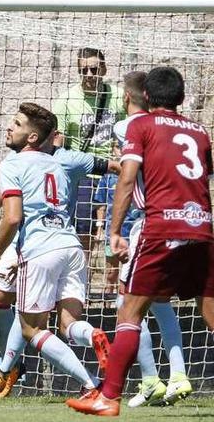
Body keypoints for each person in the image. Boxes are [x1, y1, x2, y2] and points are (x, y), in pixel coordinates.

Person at [69, 66, 213, 416]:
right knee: (211, 314)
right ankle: (156, 379)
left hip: (160, 229)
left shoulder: (140, 125)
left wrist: (114, 231)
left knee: (130, 312)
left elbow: (128, 178)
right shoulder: (200, 131)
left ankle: (109, 397)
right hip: (202, 227)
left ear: (144, 97)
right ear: (181, 98)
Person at [0, 128, 115, 397]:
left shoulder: (59, 158)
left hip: (33, 242)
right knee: (59, 322)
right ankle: (90, 340)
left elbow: (13, 213)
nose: (10, 128)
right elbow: (7, 190)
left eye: (17, 123)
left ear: (38, 135)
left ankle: (7, 371)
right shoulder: (34, 161)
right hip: (67, 243)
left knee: (27, 321)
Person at [100, 70, 191, 408]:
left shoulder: (129, 127)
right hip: (185, 222)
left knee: (127, 305)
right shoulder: (184, 129)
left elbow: (126, 177)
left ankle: (150, 378)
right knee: (162, 304)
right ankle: (179, 375)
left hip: (147, 223)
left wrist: (115, 232)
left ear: (127, 98)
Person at [50, 48, 125, 252]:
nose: (89, 75)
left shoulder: (119, 97)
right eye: (84, 71)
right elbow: (58, 142)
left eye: (94, 69)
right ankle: (84, 279)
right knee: (82, 232)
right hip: (84, 174)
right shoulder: (67, 100)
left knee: (116, 234)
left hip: (114, 174)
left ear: (104, 69)